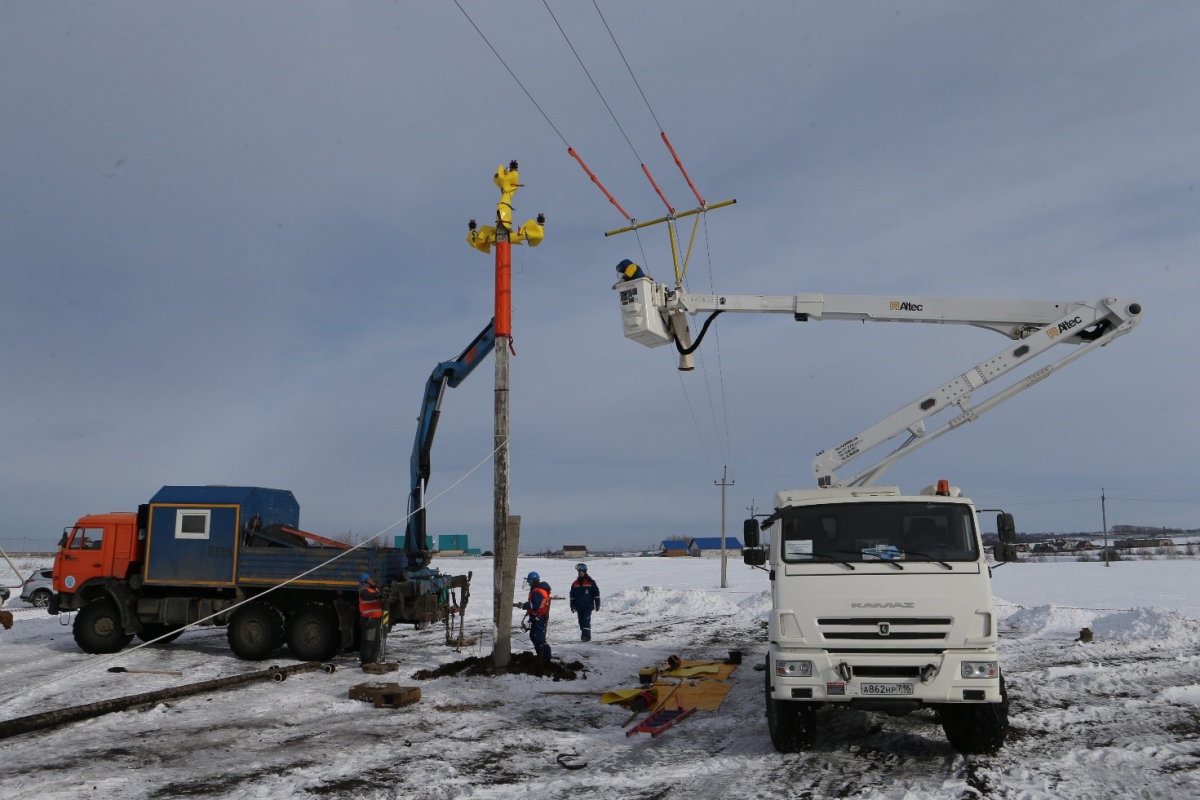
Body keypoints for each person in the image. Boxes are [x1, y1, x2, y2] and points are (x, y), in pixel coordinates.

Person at [521, 571, 552, 665]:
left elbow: (535, 605)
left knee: (538, 638)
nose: (529, 583)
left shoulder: (537, 592)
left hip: (538, 617)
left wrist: (524, 605)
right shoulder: (539, 590)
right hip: (538, 616)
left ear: (534, 581)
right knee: (534, 636)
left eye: (530, 581)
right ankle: (541, 656)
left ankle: (545, 658)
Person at [568, 563, 601, 642]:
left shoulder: (591, 582)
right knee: (581, 622)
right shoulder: (575, 583)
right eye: (579, 571)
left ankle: (586, 637)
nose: (581, 573)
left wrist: (597, 604)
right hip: (579, 606)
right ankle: (584, 634)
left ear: (585, 572)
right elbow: (572, 596)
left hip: (588, 606)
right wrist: (572, 605)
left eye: (582, 571)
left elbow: (596, 593)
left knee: (586, 621)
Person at [358, 573, 383, 667]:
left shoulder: (375, 589)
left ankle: (373, 661)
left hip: (376, 619)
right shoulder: (363, 591)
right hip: (369, 619)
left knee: (377, 641)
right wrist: (379, 594)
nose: (372, 579)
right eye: (369, 578)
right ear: (365, 581)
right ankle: (365, 662)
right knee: (369, 641)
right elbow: (369, 596)